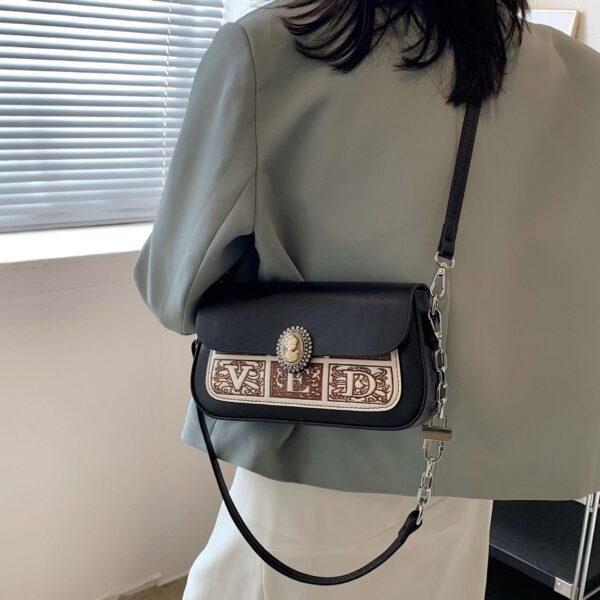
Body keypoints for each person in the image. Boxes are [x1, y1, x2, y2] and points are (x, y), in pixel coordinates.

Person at [132, 0, 600, 597]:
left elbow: (173, 294)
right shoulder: (579, 79)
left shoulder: (265, 51)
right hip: (455, 480)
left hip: (302, 470)